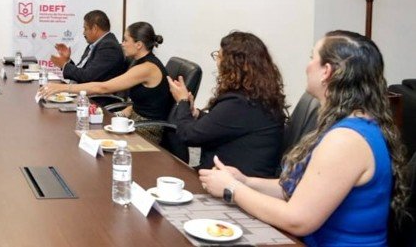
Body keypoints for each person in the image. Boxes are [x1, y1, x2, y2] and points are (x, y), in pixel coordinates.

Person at [199, 31, 408, 245]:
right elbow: (299, 190)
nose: (307, 66)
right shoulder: (352, 125)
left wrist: (232, 189)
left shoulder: (346, 140)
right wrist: (245, 181)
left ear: (326, 71)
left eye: (312, 58)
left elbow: (297, 220)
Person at [167, 31, 286, 177]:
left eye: (220, 56)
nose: (217, 62)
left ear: (233, 65)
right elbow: (222, 125)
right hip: (227, 176)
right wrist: (196, 113)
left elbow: (189, 136)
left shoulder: (240, 103)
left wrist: (182, 101)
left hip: (234, 182)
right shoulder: (256, 96)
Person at [41, 22, 172, 141]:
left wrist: (63, 88)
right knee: (85, 134)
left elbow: (103, 87)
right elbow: (145, 102)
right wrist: (118, 114)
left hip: (146, 130)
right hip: (132, 121)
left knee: (89, 139)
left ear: (139, 45)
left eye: (126, 40)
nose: (122, 44)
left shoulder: (147, 68)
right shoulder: (140, 62)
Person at [49, 10, 127, 84]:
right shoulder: (95, 45)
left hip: (93, 93)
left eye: (85, 29)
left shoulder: (109, 47)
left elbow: (87, 77)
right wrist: (67, 61)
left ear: (95, 29)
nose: (84, 33)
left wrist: (64, 65)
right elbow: (82, 72)